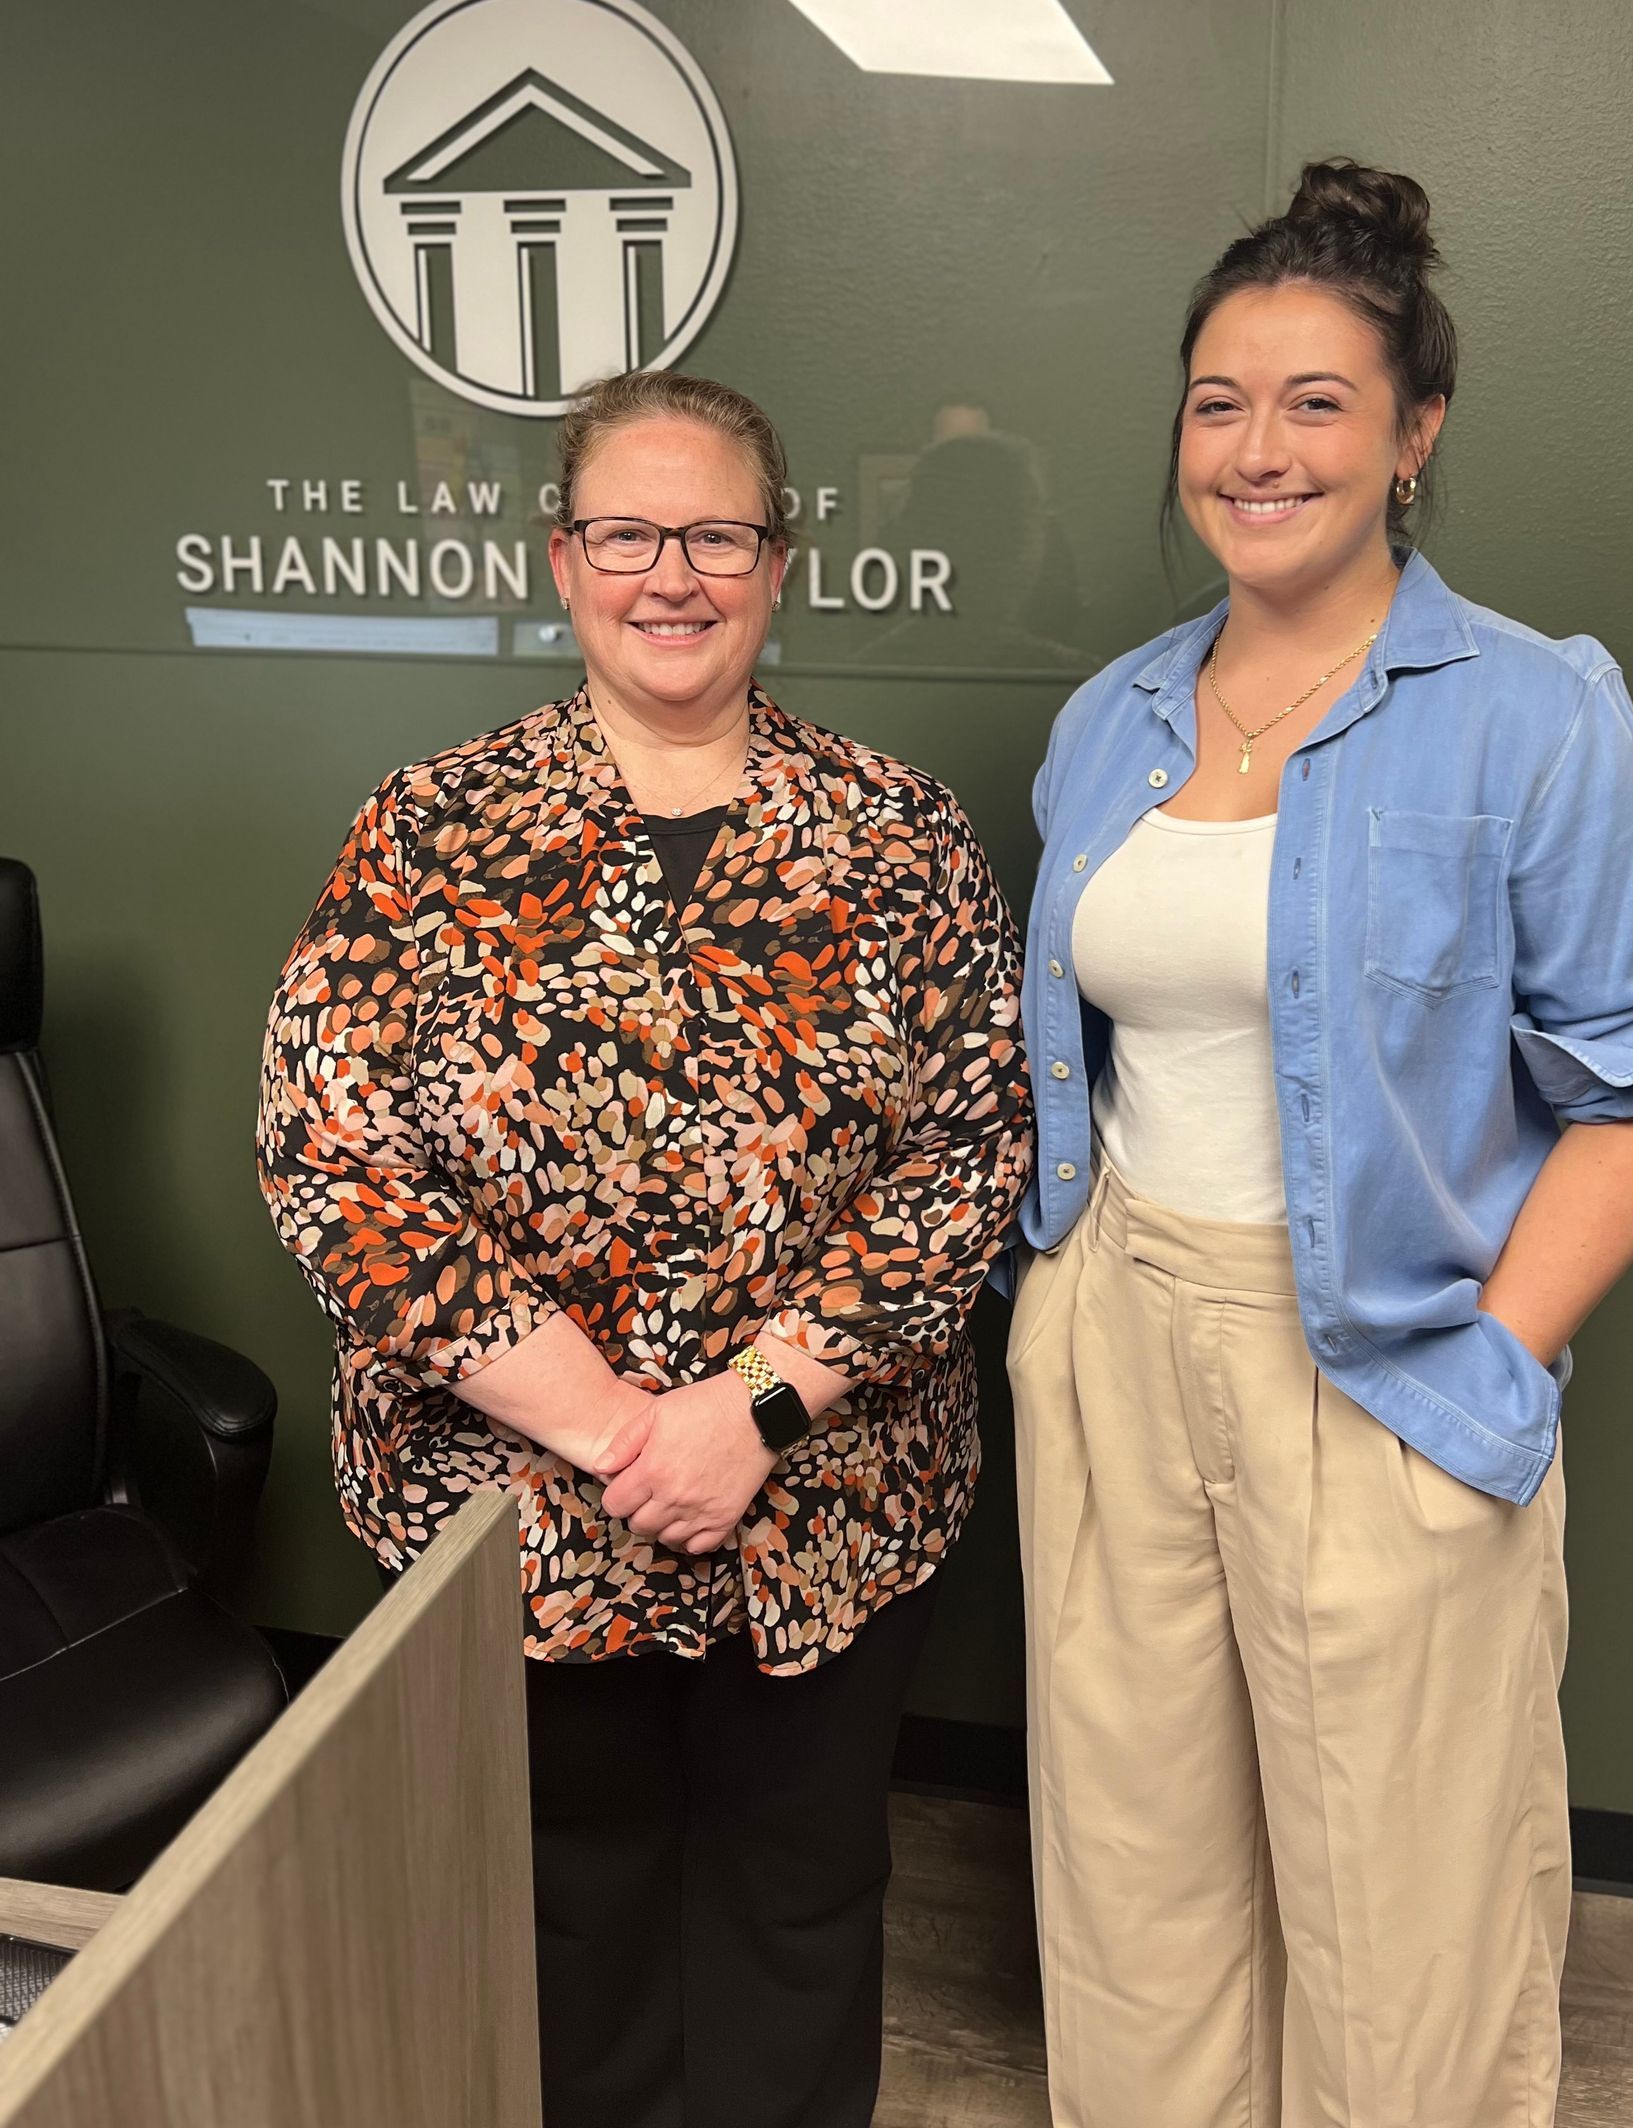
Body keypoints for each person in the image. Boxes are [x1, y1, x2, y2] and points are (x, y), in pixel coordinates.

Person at [1009, 161, 1633, 2128]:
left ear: (1415, 435)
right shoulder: (1112, 722)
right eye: (1218, 402)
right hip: (1114, 1334)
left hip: (1387, 1354)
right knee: (1135, 1856)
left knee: (1408, 1907)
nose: (1257, 448)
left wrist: (1489, 1366)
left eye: (1316, 401)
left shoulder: (1534, 722)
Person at [259, 368, 1033, 2128]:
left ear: (780, 564)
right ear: (562, 556)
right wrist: (618, 1426)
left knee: (801, 1910)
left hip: (823, 1511)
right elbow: (334, 1156)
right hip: (521, 1520)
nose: (669, 573)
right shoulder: (428, 833)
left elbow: (967, 1157)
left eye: (716, 533)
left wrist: (748, 1414)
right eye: (627, 531)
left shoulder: (900, 839)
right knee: (569, 1927)